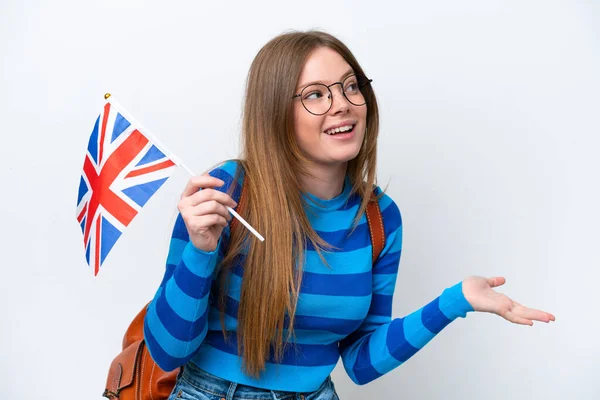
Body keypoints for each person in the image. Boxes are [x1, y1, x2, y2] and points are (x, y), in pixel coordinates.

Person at [143, 30, 555, 400]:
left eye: (350, 87)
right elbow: (167, 349)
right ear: (276, 114)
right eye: (316, 94)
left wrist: (455, 301)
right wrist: (200, 251)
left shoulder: (379, 217)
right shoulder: (227, 191)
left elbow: (360, 362)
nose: (342, 105)